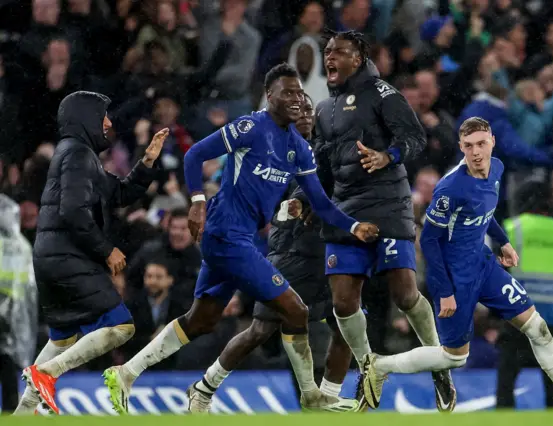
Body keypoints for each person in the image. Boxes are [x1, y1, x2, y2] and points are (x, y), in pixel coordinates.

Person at [103, 64, 379, 414]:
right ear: (270, 95)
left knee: (201, 320)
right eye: (288, 93)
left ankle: (126, 372)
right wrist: (197, 201)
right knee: (296, 310)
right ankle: (311, 395)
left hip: (239, 238)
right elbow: (195, 154)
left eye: (300, 94)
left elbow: (322, 204)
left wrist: (354, 227)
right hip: (225, 232)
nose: (296, 99)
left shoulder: (298, 148)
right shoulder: (252, 126)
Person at [357, 116, 553, 413]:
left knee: (538, 328)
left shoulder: (498, 168)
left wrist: (503, 241)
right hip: (457, 276)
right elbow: (429, 241)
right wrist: (444, 291)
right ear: (461, 147)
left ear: (492, 141)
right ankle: (379, 365)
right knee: (455, 357)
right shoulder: (450, 189)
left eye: (481, 143)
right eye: (468, 146)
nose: (476, 152)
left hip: (484, 265)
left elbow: (484, 211)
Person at [304, 30, 455, 411]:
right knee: (342, 303)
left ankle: (439, 364)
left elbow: (415, 137)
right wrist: (303, 200)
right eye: (327, 52)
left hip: (387, 202)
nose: (330, 58)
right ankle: (370, 365)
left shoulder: (382, 93)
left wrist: (388, 156)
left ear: (358, 58)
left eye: (339, 52)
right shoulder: (323, 109)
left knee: (405, 294)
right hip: (344, 209)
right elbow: (319, 166)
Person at [15, 91, 169, 415]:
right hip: (67, 257)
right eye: (103, 116)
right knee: (120, 325)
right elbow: (72, 211)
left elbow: (121, 193)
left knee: (62, 340)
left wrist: (148, 161)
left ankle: (21, 414)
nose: (109, 123)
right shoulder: (78, 155)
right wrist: (106, 249)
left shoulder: (76, 155)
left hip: (51, 257)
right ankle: (47, 374)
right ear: (86, 118)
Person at [198, 94, 355, 411]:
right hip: (291, 251)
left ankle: (326, 398)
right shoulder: (275, 148)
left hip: (322, 251)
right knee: (260, 330)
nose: (308, 116)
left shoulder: (319, 150)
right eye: (302, 111)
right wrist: (295, 206)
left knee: (349, 323)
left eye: (312, 111)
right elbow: (284, 200)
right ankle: (205, 387)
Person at [496, 178, 553, 409]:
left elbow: (497, 274)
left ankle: (503, 420)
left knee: (507, 378)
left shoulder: (512, 228)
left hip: (520, 315)